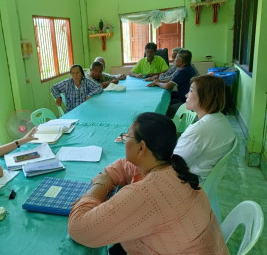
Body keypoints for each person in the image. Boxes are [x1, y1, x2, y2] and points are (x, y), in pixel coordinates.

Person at [68, 112, 228, 255]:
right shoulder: (171, 167)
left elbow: (79, 229)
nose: (124, 141)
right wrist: (108, 175)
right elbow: (126, 166)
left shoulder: (146, 193)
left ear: (141, 148)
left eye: (127, 137)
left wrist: (100, 185)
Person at [174, 75, 236, 183]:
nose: (186, 95)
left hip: (188, 184)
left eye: (191, 91)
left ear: (205, 96)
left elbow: (172, 164)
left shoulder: (199, 130)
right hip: (205, 182)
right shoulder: (221, 119)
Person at [147, 49, 198, 118]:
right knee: (166, 100)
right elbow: (169, 80)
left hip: (187, 101)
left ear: (180, 61)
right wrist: (158, 82)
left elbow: (167, 86)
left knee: (164, 108)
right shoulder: (185, 68)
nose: (174, 60)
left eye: (176, 58)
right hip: (183, 96)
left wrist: (157, 83)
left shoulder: (183, 71)